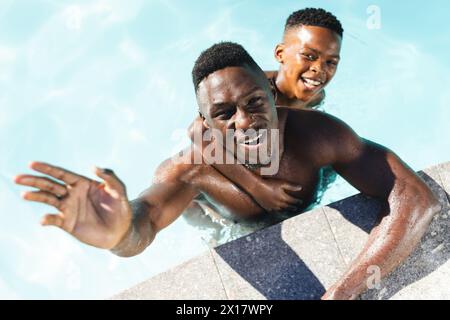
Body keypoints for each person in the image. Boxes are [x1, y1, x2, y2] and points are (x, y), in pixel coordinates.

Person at [14, 42, 440, 299]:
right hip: (228, 225)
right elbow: (143, 223)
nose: (244, 121)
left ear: (273, 95)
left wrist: (344, 292)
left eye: (255, 102)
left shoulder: (319, 136)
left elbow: (415, 197)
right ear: (205, 123)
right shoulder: (192, 169)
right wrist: (118, 234)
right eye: (223, 113)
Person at [187, 8, 343, 212]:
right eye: (308, 56)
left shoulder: (317, 97)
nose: (319, 69)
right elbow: (197, 131)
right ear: (280, 54)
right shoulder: (253, 90)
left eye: (330, 62)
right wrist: (257, 187)